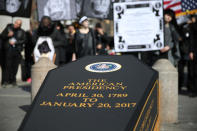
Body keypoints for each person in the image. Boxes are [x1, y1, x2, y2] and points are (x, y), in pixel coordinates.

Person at [1, 19, 26, 87]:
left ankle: (13, 80)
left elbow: (24, 40)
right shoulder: (8, 28)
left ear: (20, 25)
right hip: (8, 50)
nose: (16, 24)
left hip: (17, 50)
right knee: (7, 65)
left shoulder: (22, 31)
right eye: (16, 23)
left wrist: (16, 42)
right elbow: (2, 36)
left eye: (18, 24)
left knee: (15, 66)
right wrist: (8, 35)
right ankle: (6, 81)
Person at [188, 15, 197, 97]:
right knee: (193, 72)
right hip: (194, 51)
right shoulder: (192, 26)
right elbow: (192, 40)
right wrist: (191, 51)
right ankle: (193, 90)